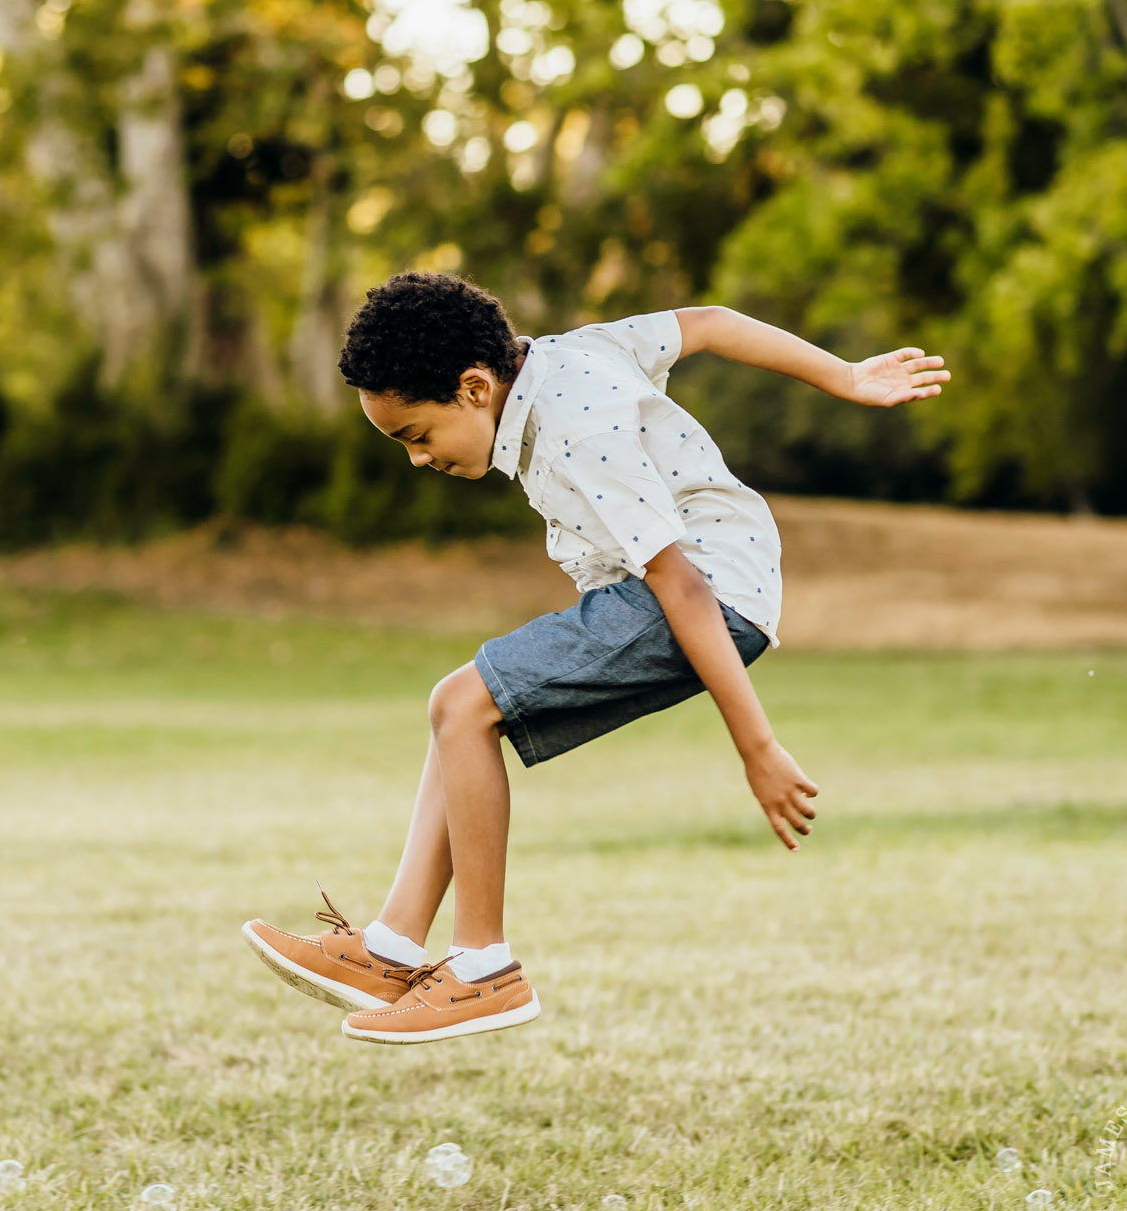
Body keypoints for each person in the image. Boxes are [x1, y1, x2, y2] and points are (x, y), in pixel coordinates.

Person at [242, 273, 948, 1045]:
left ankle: (483, 967)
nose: (417, 459)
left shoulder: (577, 424)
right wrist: (841, 374)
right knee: (460, 714)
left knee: (463, 703)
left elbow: (678, 583)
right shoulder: (574, 353)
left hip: (709, 591)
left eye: (418, 436)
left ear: (476, 387)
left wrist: (757, 745)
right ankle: (392, 947)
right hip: (704, 585)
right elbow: (708, 322)